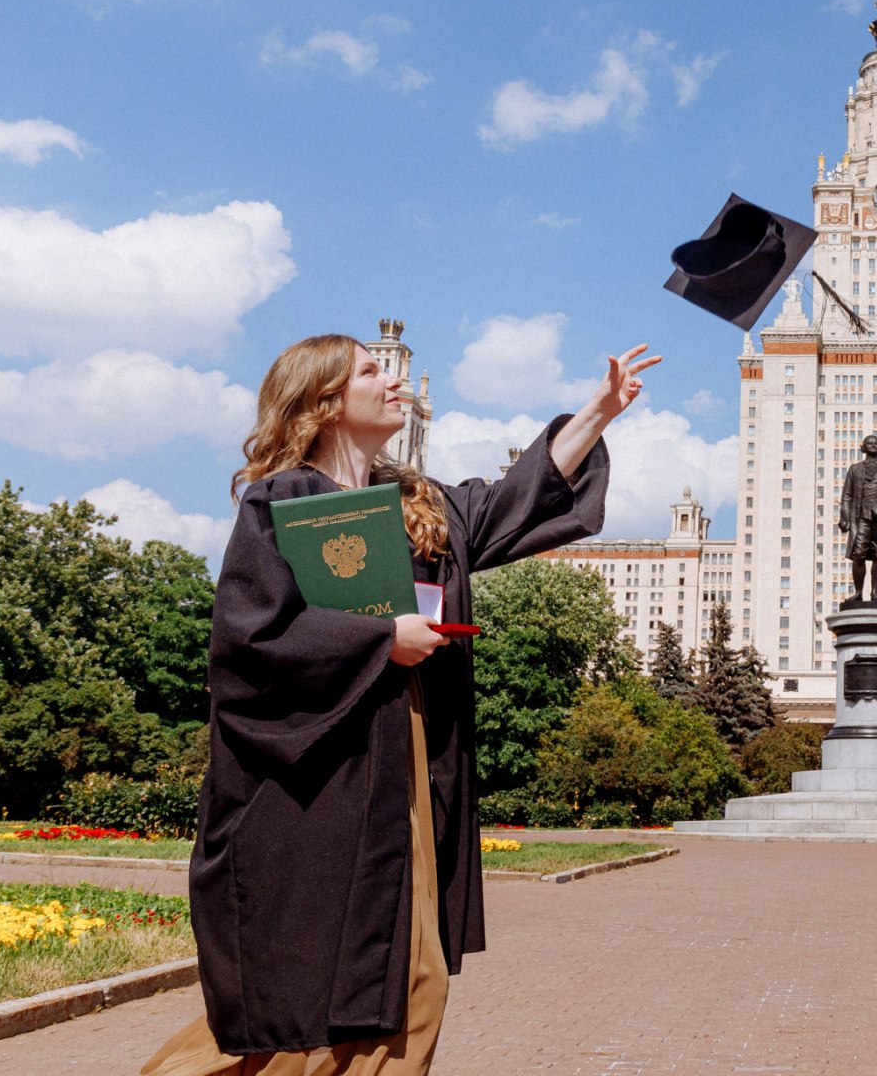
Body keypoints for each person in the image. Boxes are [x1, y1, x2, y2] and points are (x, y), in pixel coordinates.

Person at [142, 334, 660, 1075]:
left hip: (409, 763)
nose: (392, 382)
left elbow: (515, 499)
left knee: (409, 984)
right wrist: (382, 637)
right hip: (316, 786)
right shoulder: (283, 502)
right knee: (313, 1007)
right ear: (324, 403)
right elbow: (250, 643)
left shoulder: (420, 506)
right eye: (370, 372)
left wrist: (600, 411)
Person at [838, 433, 877, 602]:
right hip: (860, 518)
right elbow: (847, 495)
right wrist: (844, 515)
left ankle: (874, 593)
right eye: (869, 443)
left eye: (875, 443)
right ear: (864, 447)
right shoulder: (854, 469)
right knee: (858, 553)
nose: (873, 445)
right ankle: (858, 592)